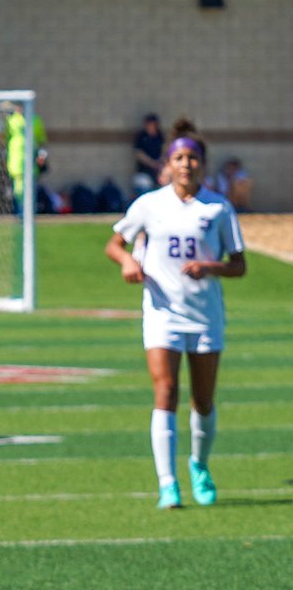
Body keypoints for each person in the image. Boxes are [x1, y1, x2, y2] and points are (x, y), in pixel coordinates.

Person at [104, 119, 246, 509]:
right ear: (168, 164)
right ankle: (168, 483)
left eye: (193, 158)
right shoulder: (149, 204)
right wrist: (127, 264)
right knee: (165, 392)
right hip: (162, 313)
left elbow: (239, 265)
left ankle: (199, 466)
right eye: (179, 158)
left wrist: (210, 267)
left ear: (203, 164)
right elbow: (115, 244)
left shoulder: (218, 207)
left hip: (204, 315)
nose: (186, 164)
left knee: (203, 400)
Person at [4, 102, 48, 214]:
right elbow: (5, 138)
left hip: (31, 161)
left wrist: (42, 155)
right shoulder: (11, 121)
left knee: (31, 190)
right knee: (18, 190)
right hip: (16, 162)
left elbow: (41, 141)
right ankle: (21, 212)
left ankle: (31, 213)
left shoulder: (35, 120)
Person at [131, 113, 165, 198]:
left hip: (158, 172)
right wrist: (152, 163)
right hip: (144, 172)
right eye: (149, 124)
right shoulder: (142, 136)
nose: (151, 126)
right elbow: (138, 153)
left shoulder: (160, 136)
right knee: (144, 191)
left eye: (153, 124)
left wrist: (159, 162)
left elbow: (165, 150)